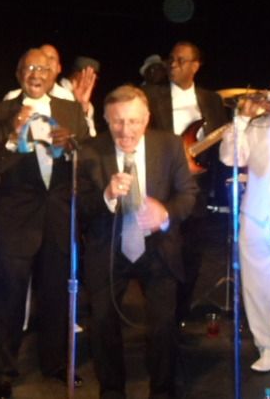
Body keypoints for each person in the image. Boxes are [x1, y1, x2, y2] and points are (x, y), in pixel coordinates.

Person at [0, 48, 89, 398]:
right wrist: (13, 135)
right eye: (28, 68)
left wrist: (72, 146)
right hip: (17, 218)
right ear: (18, 74)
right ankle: (3, 369)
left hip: (59, 216)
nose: (35, 74)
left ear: (53, 74)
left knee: (57, 293)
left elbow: (89, 159)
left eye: (42, 68)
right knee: (9, 295)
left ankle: (55, 364)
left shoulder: (71, 110)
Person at [78, 85, 197, 399]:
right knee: (102, 323)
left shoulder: (169, 145)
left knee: (163, 326)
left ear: (146, 119)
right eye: (117, 121)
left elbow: (188, 194)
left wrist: (165, 213)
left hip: (158, 248)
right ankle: (112, 390)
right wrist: (106, 195)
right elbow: (80, 206)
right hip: (108, 248)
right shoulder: (89, 150)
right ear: (106, 119)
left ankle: (162, 391)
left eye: (133, 121)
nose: (125, 130)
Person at [142, 41, 228, 323]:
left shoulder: (211, 100)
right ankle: (161, 317)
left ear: (195, 66)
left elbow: (219, 145)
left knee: (192, 254)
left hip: (196, 187)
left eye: (180, 60)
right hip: (161, 186)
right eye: (171, 59)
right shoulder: (151, 95)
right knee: (162, 255)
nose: (173, 64)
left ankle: (180, 314)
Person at [219, 72, 270, 372]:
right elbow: (230, 158)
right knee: (257, 286)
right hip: (256, 216)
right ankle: (269, 347)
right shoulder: (258, 124)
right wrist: (241, 121)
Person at [60, 55, 100, 136]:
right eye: (89, 76)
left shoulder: (88, 105)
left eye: (94, 79)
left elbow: (91, 135)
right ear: (77, 74)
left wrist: (83, 108)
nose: (92, 82)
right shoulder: (57, 92)